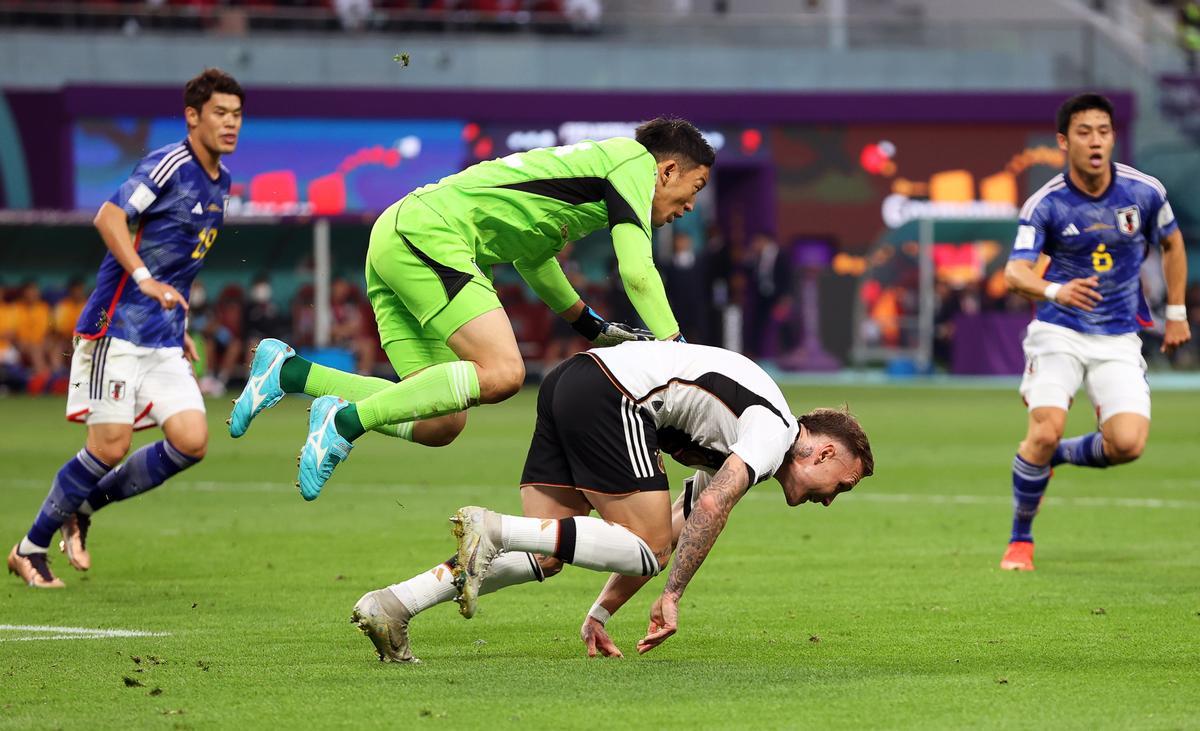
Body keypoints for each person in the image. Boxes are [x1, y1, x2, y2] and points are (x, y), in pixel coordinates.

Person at [228, 118, 714, 501]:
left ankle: (290, 373)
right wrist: (676, 349)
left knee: (441, 423)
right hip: (427, 234)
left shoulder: (587, 182)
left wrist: (592, 327)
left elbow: (533, 257)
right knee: (503, 373)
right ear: (667, 170)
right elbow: (638, 271)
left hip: (400, 241)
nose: (690, 206)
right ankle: (344, 423)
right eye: (694, 188)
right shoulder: (632, 162)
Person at [348, 340, 873, 662]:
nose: (830, 502)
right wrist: (672, 596)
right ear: (824, 451)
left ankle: (394, 604)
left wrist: (601, 612)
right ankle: (495, 528)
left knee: (548, 553)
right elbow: (708, 514)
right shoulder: (775, 431)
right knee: (645, 544)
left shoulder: (750, 437)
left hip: (569, 383)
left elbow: (685, 524)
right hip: (612, 395)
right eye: (841, 486)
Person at [7, 69, 243, 588]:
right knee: (108, 447)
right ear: (193, 116)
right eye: (220, 113)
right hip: (115, 328)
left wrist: (176, 319)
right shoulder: (167, 164)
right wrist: (144, 279)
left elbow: (181, 266)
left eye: (237, 114)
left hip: (161, 335)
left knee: (191, 439)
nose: (230, 123)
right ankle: (30, 548)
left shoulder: (221, 182)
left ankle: (82, 507)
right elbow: (109, 218)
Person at [1000, 93, 1190, 572]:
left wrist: (1177, 310)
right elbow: (1015, 274)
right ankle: (1020, 540)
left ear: (1113, 137)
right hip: (1058, 331)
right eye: (1084, 132)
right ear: (1064, 141)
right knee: (1044, 426)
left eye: (1103, 131)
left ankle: (1052, 457)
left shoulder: (1144, 192)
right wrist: (1057, 291)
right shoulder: (1045, 203)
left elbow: (1172, 243)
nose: (1096, 141)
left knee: (1128, 444)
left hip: (1118, 335)